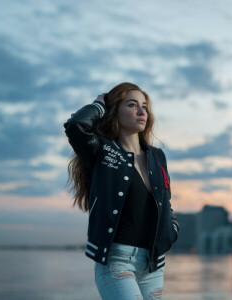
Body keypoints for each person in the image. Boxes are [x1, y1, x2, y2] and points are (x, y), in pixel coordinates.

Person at [64, 82, 180, 300]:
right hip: (116, 261)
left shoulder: (157, 157)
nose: (141, 111)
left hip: (153, 266)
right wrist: (99, 105)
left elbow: (166, 202)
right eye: (132, 105)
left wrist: (172, 228)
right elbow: (75, 126)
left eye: (144, 106)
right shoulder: (102, 150)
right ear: (114, 111)